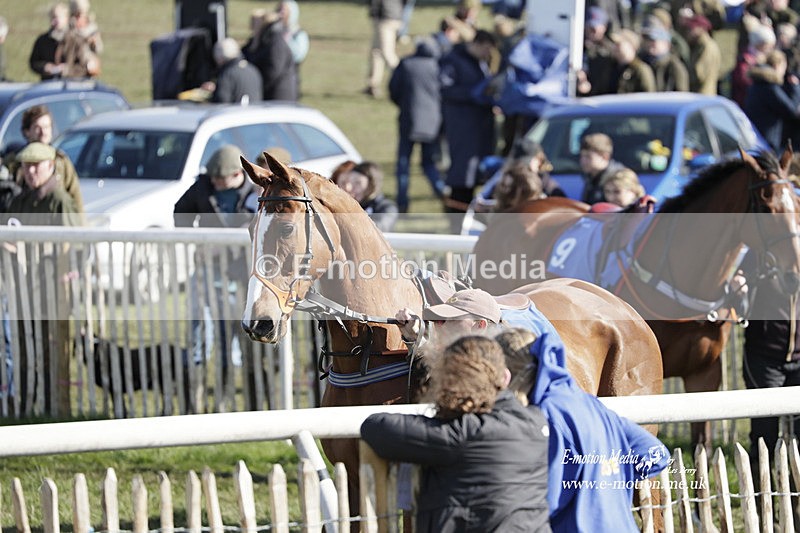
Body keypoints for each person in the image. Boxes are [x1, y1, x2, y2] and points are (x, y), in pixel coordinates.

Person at [361, 335, 552, 532]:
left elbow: (375, 426)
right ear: (505, 377)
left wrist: (441, 416)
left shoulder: (459, 433)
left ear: (447, 383)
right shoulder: (536, 422)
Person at [496, 327, 669, 533]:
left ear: (506, 374)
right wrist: (607, 479)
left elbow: (547, 501)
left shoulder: (546, 414)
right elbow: (656, 454)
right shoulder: (587, 402)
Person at [5, 142, 81, 415]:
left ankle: (55, 411)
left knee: (53, 353)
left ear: (51, 166)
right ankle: (26, 409)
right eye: (27, 166)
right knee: (25, 350)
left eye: (37, 166)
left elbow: (78, 244)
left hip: (53, 287)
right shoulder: (22, 200)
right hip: (26, 287)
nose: (31, 171)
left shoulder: (59, 199)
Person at [174, 145, 257, 371]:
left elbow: (254, 224)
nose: (215, 183)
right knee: (198, 313)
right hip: (206, 267)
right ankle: (197, 362)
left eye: (220, 179)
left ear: (238, 174)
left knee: (232, 321)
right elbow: (180, 211)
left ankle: (233, 364)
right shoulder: (202, 186)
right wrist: (196, 240)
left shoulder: (254, 192)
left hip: (239, 271)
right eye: (213, 178)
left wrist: (222, 245)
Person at [738, 249, 800, 479]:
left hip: (799, 361)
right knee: (765, 436)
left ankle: (795, 507)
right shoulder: (759, 251)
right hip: (763, 358)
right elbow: (735, 278)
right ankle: (762, 503)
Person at [440, 30, 498, 230]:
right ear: (478, 44)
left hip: (479, 130)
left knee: (473, 177)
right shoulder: (453, 60)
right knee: (462, 178)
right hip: (463, 129)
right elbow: (445, 89)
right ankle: (456, 224)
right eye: (486, 50)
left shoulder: (479, 64)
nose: (488, 55)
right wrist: (472, 93)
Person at [389, 36, 447, 213]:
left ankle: (402, 201)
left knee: (403, 163)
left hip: (409, 120)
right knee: (429, 163)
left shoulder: (406, 64)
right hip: (433, 122)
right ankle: (442, 192)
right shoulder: (438, 67)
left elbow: (393, 90)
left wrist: (404, 105)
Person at [6, 105, 85, 220]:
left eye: (47, 127)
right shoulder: (14, 162)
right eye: (37, 127)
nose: (43, 132)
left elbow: (76, 201)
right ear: (27, 131)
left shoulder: (61, 162)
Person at [744, 50, 800, 151]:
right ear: (776, 66)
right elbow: (791, 110)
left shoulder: (757, 83)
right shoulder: (770, 87)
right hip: (767, 142)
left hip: (755, 137)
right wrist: (795, 87)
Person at [243, 11, 297, 102]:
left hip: (278, 96)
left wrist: (257, 86)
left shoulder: (275, 42)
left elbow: (273, 70)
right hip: (271, 94)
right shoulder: (263, 41)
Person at [336, 161, 399, 232]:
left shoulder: (387, 207)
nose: (350, 188)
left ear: (371, 185)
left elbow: (379, 228)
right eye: (351, 182)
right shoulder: (351, 205)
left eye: (358, 183)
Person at [363, 0, 405, 98]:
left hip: (386, 16)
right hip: (389, 15)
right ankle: (373, 84)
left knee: (387, 53)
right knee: (376, 52)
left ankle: (404, 79)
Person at [205, 38, 262, 104]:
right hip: (254, 112)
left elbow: (221, 102)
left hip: (235, 113)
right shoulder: (253, 70)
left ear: (220, 59)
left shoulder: (227, 74)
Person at [59, 0, 103, 79]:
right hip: (69, 64)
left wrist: (93, 42)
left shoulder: (92, 27)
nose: (79, 17)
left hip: (86, 67)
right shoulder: (67, 26)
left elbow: (98, 48)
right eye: (77, 14)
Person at [640, 23, 690, 92]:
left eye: (654, 40)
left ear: (666, 44)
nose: (649, 43)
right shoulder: (641, 62)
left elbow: (681, 95)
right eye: (647, 40)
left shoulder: (674, 67)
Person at [578, 133, 625, 205]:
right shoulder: (590, 177)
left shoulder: (618, 178)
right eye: (582, 156)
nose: (583, 161)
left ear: (605, 157)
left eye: (588, 157)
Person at [580, 6, 617, 97]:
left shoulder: (612, 50)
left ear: (604, 27)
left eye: (596, 28)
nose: (593, 31)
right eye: (590, 27)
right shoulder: (577, 47)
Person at [29, 2, 70, 80]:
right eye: (52, 17)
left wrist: (68, 69)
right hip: (49, 84)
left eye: (57, 17)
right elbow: (33, 62)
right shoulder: (42, 40)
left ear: (66, 18)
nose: (54, 21)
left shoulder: (75, 40)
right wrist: (45, 67)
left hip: (71, 84)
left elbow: (82, 65)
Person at [682, 14, 721, 95]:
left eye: (691, 28)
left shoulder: (707, 47)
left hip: (703, 95)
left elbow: (699, 74)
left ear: (701, 29)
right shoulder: (698, 45)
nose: (688, 31)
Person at [276, 0, 309, 94]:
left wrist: (285, 40)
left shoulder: (299, 34)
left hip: (288, 80)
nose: (280, 13)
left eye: (284, 10)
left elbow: (298, 55)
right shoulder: (274, 32)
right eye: (279, 10)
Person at [610, 29, 657, 94]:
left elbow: (648, 96)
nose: (614, 47)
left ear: (631, 46)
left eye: (618, 44)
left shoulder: (641, 70)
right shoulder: (610, 67)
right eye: (614, 44)